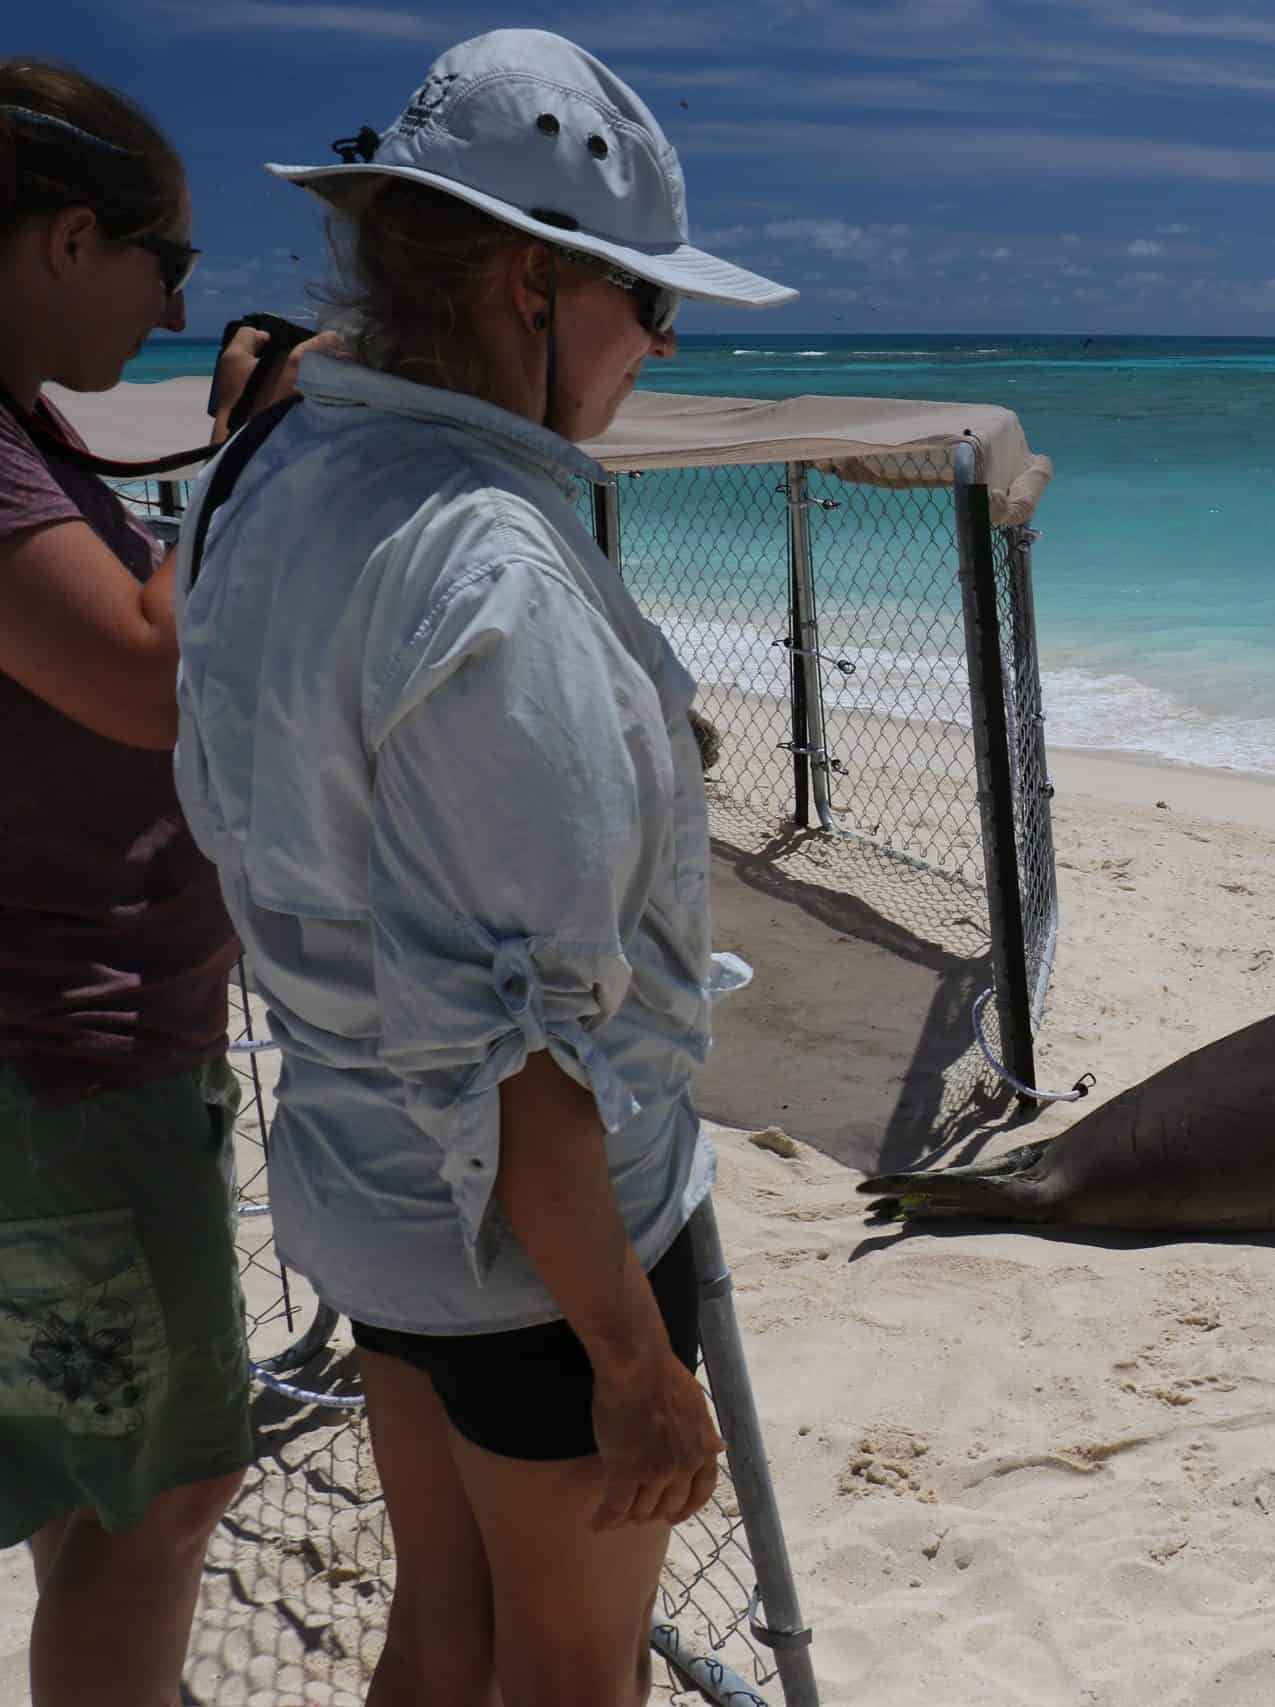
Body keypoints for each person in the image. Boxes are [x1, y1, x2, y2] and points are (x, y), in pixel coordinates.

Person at [171, 30, 793, 1705]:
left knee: (441, 1635)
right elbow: (523, 1049)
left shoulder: (278, 476)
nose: (657, 347)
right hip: (532, 1255)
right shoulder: (492, 569)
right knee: (577, 1678)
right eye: (643, 305)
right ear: (531, 285)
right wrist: (633, 1359)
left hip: (369, 1195)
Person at [0, 61, 327, 1707]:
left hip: (76, 1054)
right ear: (67, 241)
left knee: (90, 1474)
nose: (179, 304)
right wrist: (245, 454)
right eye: (165, 265)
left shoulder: (25, 428)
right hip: (68, 1066)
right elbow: (144, 671)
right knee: (175, 1488)